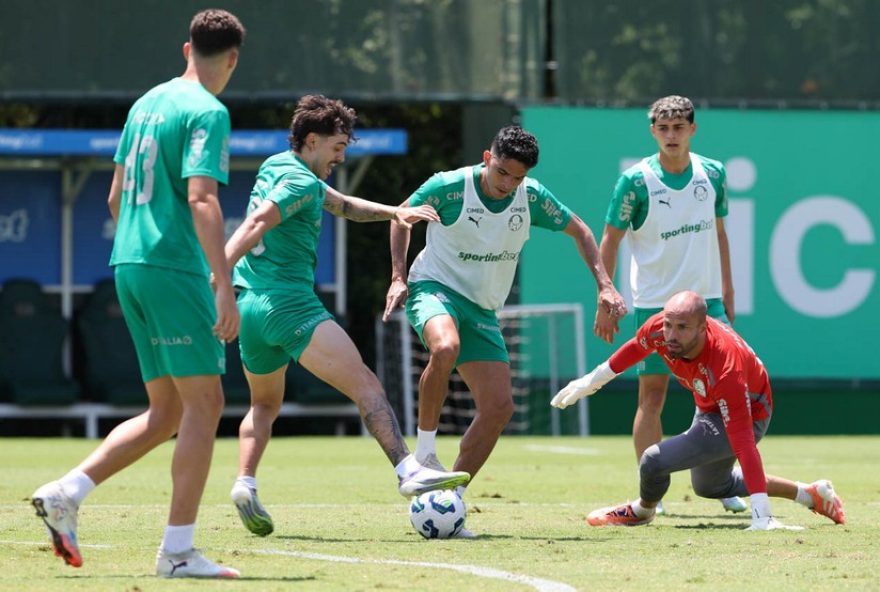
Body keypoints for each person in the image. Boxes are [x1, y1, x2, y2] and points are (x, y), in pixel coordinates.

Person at [30, 10, 246, 578]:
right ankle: (177, 552)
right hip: (171, 267)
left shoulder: (146, 103)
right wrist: (223, 284)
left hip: (128, 263)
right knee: (207, 404)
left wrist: (142, 240)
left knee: (167, 411)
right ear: (232, 59)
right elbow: (202, 199)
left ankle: (66, 492)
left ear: (185, 50)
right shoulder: (209, 111)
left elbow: (113, 197)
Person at [223, 94, 470, 537]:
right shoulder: (299, 182)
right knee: (366, 384)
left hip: (251, 308)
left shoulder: (279, 166)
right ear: (312, 140)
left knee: (263, 404)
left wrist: (396, 212)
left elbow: (343, 204)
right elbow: (259, 221)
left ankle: (245, 482)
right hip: (288, 304)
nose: (341, 156)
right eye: (337, 147)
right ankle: (406, 469)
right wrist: (217, 271)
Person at [382, 125, 626, 537]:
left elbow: (581, 230)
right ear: (486, 158)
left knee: (499, 408)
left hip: (482, 307)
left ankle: (450, 501)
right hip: (435, 287)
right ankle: (424, 459)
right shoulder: (449, 188)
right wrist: (397, 277)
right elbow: (400, 217)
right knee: (445, 347)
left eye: (518, 177)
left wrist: (605, 284)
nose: (508, 184)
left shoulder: (531, 198)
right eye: (502, 173)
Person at [552, 290, 846, 530]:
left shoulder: (726, 365)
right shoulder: (661, 329)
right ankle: (809, 494)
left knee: (653, 461)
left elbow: (744, 442)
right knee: (711, 485)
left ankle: (642, 510)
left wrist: (762, 516)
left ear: (704, 328)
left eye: (682, 328)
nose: (670, 335)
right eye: (668, 324)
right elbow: (634, 349)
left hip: (750, 412)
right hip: (710, 406)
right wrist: (590, 382)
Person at [594, 95, 746, 514]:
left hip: (708, 302)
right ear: (653, 132)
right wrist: (605, 296)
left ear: (693, 129)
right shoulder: (635, 181)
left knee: (725, 395)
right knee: (653, 396)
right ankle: (652, 492)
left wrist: (728, 292)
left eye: (679, 127)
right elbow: (610, 238)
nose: (672, 135)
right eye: (663, 128)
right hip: (656, 306)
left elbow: (720, 234)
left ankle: (720, 484)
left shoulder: (713, 173)